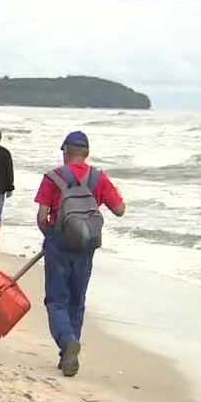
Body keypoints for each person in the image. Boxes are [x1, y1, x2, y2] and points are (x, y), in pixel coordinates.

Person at [35, 131, 126, 377]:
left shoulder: (53, 177)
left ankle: (67, 343)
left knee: (56, 300)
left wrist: (50, 237)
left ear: (65, 151)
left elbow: (42, 217)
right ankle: (69, 349)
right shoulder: (99, 178)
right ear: (86, 153)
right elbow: (119, 209)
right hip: (86, 246)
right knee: (77, 300)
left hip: (59, 244)